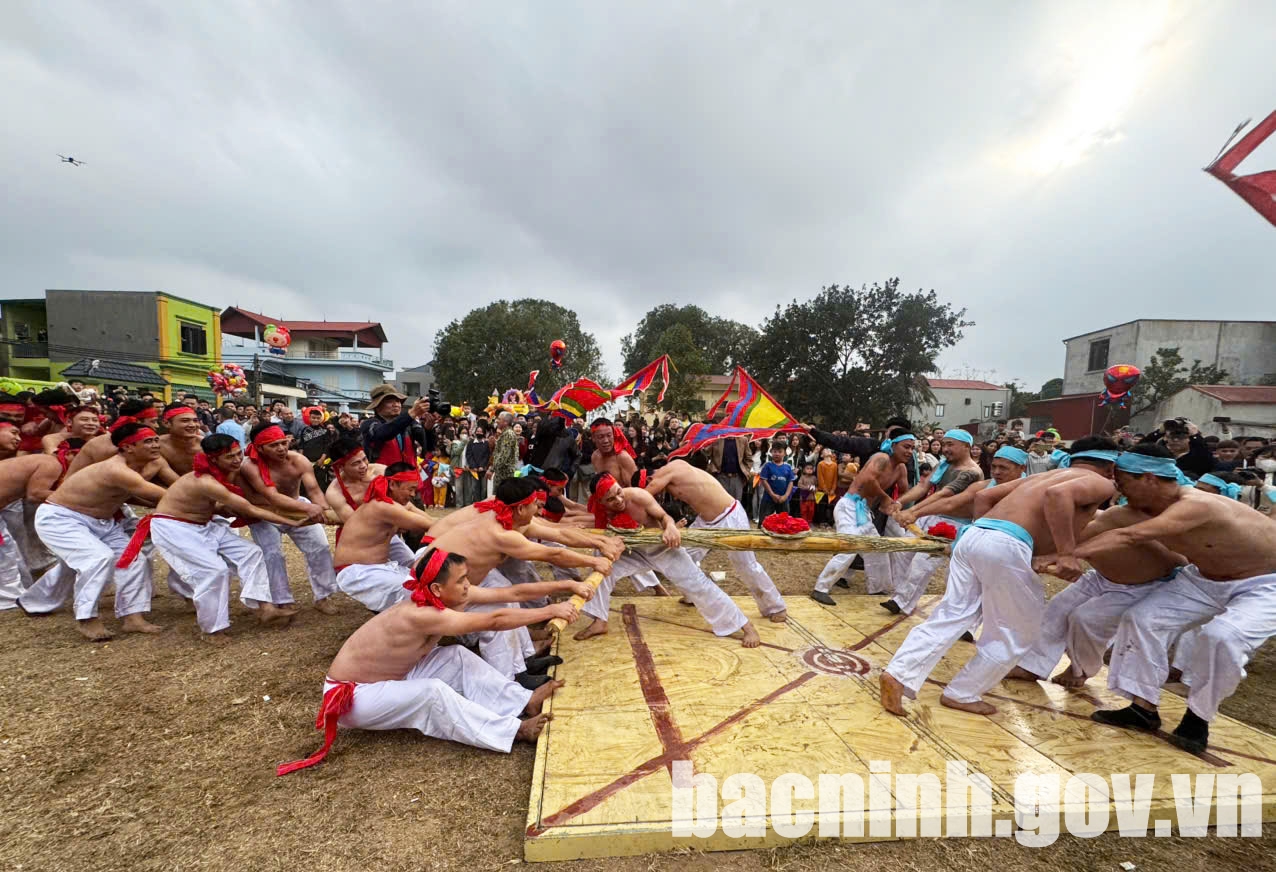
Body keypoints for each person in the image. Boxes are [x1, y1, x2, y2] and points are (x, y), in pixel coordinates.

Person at [879, 436, 1120, 716]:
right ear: (1110, 467)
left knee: (952, 613)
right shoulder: (1100, 481)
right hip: (1005, 543)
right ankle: (962, 692)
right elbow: (1059, 496)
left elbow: (984, 497)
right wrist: (1065, 554)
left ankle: (898, 673)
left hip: (976, 535)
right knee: (1019, 631)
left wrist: (994, 542)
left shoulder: (1044, 476)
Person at [276, 550, 573, 776]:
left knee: (455, 655)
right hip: (352, 697)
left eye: (467, 578)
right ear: (438, 590)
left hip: (395, 675)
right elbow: (494, 620)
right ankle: (513, 730)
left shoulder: (440, 595)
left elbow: (510, 593)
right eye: (461, 580)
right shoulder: (421, 613)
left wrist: (570, 585)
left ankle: (523, 701)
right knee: (431, 692)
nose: (468, 585)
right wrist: (552, 610)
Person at [1080, 445, 1276, 753]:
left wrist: (1066, 556)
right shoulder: (1143, 508)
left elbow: (1129, 536)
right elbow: (1098, 527)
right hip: (1203, 580)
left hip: (1265, 584)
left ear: (1148, 478)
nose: (1118, 489)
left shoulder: (1196, 504)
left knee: (1222, 636)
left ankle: (1198, 719)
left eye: (1123, 482)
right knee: (1142, 619)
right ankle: (1142, 709)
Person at [121, 434, 302, 642]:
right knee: (213, 572)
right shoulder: (206, 481)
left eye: (238, 454)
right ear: (213, 459)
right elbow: (249, 509)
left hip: (204, 524)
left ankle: (265, 608)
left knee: (251, 553)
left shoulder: (227, 472)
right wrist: (291, 521)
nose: (237, 460)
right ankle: (212, 630)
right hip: (175, 527)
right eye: (230, 457)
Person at [17, 423, 174, 641]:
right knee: (98, 558)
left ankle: (133, 618)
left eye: (156, 440)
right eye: (148, 441)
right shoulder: (116, 469)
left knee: (132, 559)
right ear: (128, 447)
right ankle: (87, 618)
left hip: (103, 521)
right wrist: (207, 500)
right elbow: (168, 496)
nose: (156, 445)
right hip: (61, 518)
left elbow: (172, 488)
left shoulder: (151, 463)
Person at [1005, 501, 1187, 688]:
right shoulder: (1068, 526)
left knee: (1086, 619)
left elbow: (1179, 560)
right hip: (1099, 578)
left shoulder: (1116, 519)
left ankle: (1080, 670)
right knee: (1057, 608)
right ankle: (1031, 666)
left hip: (1142, 586)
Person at [573, 473, 761, 647]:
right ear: (600, 501)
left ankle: (745, 626)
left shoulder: (638, 496)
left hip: (662, 548)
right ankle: (600, 621)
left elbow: (664, 516)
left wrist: (670, 527)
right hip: (633, 550)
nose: (619, 500)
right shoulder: (600, 510)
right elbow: (597, 527)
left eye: (619, 492)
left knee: (698, 584)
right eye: (611, 499)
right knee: (601, 565)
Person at [885, 444, 1025, 617]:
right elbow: (946, 500)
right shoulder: (979, 484)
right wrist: (912, 511)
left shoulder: (1028, 489)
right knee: (915, 559)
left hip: (1001, 541)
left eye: (1003, 468)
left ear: (1021, 468)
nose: (996, 472)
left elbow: (945, 496)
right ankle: (901, 599)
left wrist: (913, 512)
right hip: (959, 530)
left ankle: (969, 621)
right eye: (994, 467)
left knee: (982, 584)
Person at [644, 459, 786, 622]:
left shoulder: (666, 472)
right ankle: (692, 596)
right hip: (705, 521)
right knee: (681, 555)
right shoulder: (673, 470)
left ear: (650, 479)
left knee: (746, 565)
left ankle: (776, 607)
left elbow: (643, 497)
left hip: (729, 516)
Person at [239, 421, 339, 614]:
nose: (281, 448)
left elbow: (314, 490)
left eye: (283, 443)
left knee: (320, 547)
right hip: (266, 512)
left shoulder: (298, 460)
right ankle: (282, 599)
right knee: (272, 554)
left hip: (297, 503)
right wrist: (308, 508)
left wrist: (324, 511)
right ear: (260, 448)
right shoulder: (249, 466)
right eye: (273, 445)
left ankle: (323, 596)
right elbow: (272, 497)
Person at [811, 434, 916, 604]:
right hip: (849, 506)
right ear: (893, 446)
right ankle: (820, 588)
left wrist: (897, 504)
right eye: (906, 447)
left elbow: (905, 490)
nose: (910, 451)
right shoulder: (881, 458)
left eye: (912, 448)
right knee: (850, 547)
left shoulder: (901, 468)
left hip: (864, 511)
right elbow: (868, 479)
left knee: (877, 548)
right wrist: (884, 498)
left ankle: (878, 588)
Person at [333, 463, 438, 612]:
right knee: (418, 591)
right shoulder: (382, 506)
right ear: (393, 484)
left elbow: (433, 521)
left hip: (377, 567)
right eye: (410, 489)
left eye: (415, 489)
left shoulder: (396, 504)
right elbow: (430, 526)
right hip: (356, 571)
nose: (413, 494)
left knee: (425, 579)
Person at [0, 447, 63, 609]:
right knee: (5, 554)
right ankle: (8, 598)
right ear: (70, 454)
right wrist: (70, 497)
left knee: (10, 552)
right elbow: (35, 494)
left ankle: (15, 593)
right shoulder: (52, 464)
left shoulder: (42, 461)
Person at [360, 385, 432, 468]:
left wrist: (428, 429)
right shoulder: (368, 424)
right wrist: (412, 412)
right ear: (377, 406)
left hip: (410, 475)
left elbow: (428, 447)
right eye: (390, 401)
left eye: (398, 401)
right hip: (383, 475)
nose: (396, 404)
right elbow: (383, 433)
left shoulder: (409, 422)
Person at [158, 402, 204, 475]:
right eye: (185, 420)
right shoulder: (157, 445)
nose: (192, 425)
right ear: (166, 423)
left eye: (195, 420)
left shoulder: (206, 446)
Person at [589, 417, 637, 489]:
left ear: (613, 435)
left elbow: (635, 490)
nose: (606, 440)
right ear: (593, 438)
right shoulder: (595, 456)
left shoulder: (622, 457)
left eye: (609, 435)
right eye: (601, 437)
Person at [757, 441, 795, 523]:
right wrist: (772, 494)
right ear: (771, 452)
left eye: (780, 452)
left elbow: (791, 482)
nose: (777, 454)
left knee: (784, 522)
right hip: (768, 498)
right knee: (764, 521)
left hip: (783, 499)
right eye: (774, 451)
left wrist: (785, 496)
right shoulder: (767, 466)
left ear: (785, 453)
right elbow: (764, 480)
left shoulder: (788, 467)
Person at [707, 433, 751, 502]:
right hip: (720, 477)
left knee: (736, 503)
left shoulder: (743, 440)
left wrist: (746, 471)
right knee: (720, 503)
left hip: (737, 478)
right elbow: (706, 455)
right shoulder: (716, 439)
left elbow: (748, 458)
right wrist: (712, 468)